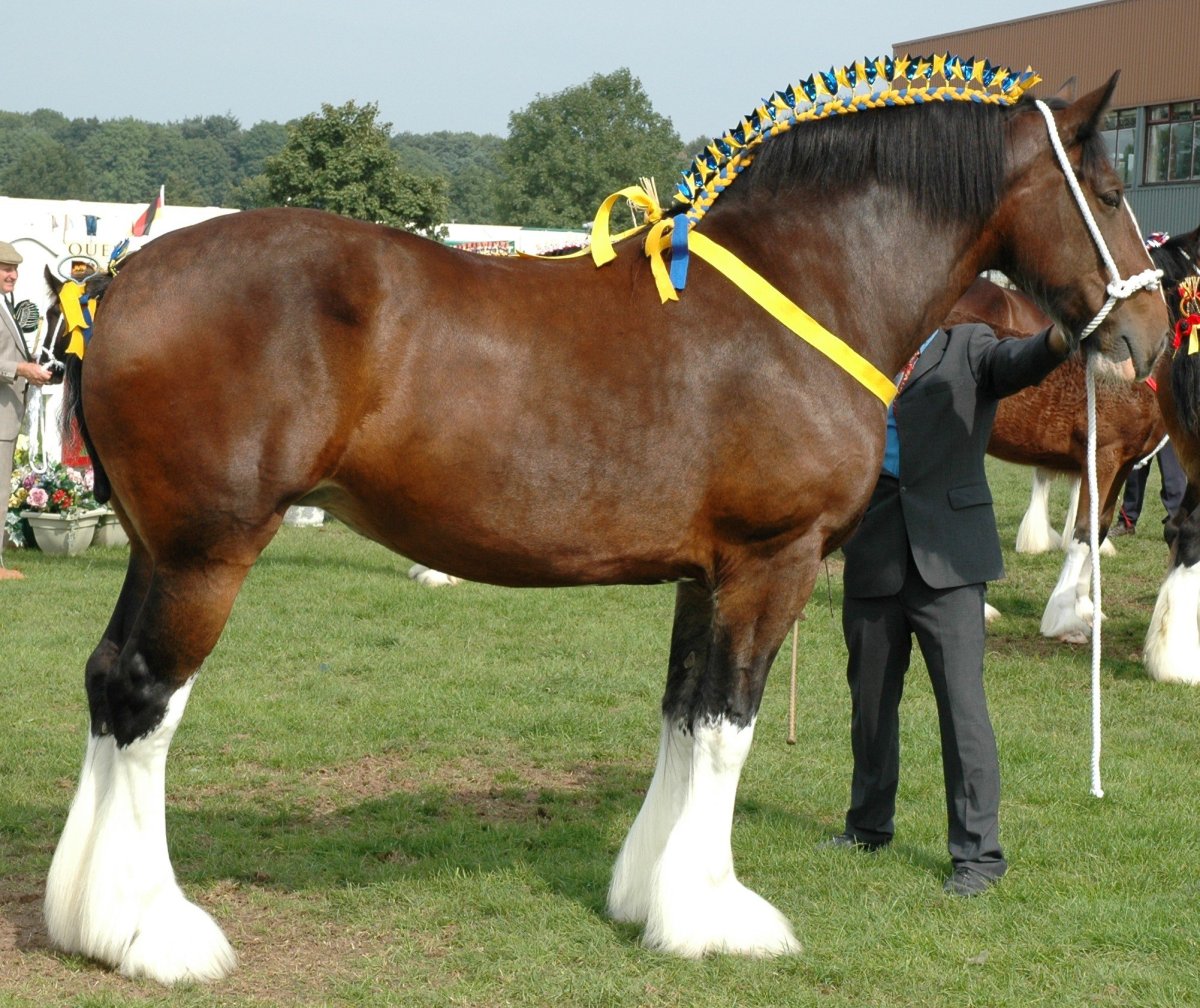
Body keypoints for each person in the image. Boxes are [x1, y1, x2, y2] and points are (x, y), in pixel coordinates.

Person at [826, 319, 1069, 897]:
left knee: (962, 710)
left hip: (952, 558)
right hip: (873, 547)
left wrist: (1062, 335)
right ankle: (867, 826)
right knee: (870, 704)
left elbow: (1023, 362)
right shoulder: (864, 342)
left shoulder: (970, 345)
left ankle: (979, 856)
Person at [1, 240, 52, 580]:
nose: (12, 275)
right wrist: (21, 370)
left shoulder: (6, 305)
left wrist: (32, 368)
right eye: (5, 268)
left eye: (15, 269)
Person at [1111, 441, 1186, 539]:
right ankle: (1127, 523)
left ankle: (1179, 523)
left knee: (1172, 475)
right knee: (1135, 473)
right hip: (1141, 428)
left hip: (1167, 430)